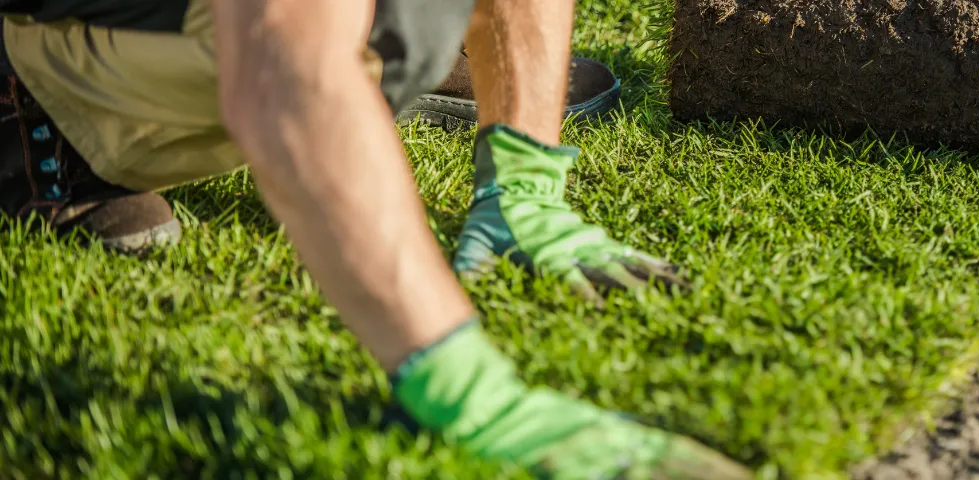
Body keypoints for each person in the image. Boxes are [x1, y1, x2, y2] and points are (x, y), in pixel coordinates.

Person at [0, 0, 751, 478]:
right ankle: (41, 126)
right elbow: (280, 75)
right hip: (48, 49)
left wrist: (523, 191)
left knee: (391, 29)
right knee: (355, 32)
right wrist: (469, 395)